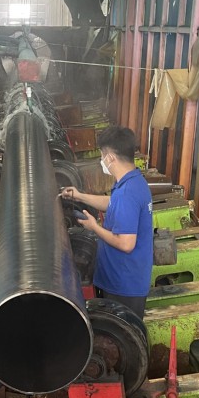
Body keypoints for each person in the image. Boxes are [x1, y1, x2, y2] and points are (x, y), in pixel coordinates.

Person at [60, 126, 153, 318]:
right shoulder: (133, 182)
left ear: (110, 157)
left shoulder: (127, 193)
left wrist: (94, 227)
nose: (102, 160)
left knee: (122, 331)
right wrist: (79, 196)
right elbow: (113, 203)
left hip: (123, 284)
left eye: (102, 155)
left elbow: (126, 244)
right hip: (125, 278)